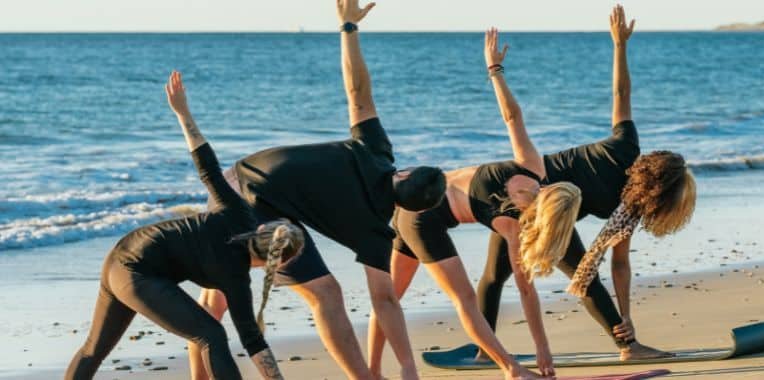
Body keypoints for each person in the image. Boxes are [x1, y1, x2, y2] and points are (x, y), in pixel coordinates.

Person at [188, 1, 446, 380]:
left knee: (222, 293)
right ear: (413, 210)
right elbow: (386, 301)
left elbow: (357, 89)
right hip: (254, 204)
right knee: (323, 293)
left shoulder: (376, 151)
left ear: (404, 171)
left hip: (234, 178)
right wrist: (408, 367)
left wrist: (348, 28)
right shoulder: (376, 229)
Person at [475, 5, 697, 362]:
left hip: (517, 195)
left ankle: (485, 353)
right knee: (567, 274)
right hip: (536, 201)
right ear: (659, 194)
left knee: (495, 274)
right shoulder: (625, 178)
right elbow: (621, 95)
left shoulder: (627, 176)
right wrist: (620, 46)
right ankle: (628, 347)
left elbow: (621, 96)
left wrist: (620, 46)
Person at [367, 28, 579, 380]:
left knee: (389, 297)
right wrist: (540, 349)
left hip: (408, 206)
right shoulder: (514, 226)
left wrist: (495, 71)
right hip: (422, 219)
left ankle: (371, 373)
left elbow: (513, 117)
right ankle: (510, 369)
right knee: (464, 300)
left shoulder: (531, 168)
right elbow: (526, 290)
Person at [65, 71, 304, 380]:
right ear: (275, 263)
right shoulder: (236, 280)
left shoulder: (237, 212)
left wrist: (183, 113)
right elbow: (253, 341)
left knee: (93, 350)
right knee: (211, 335)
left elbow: (208, 169)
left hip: (119, 257)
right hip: (137, 272)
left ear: (262, 230)